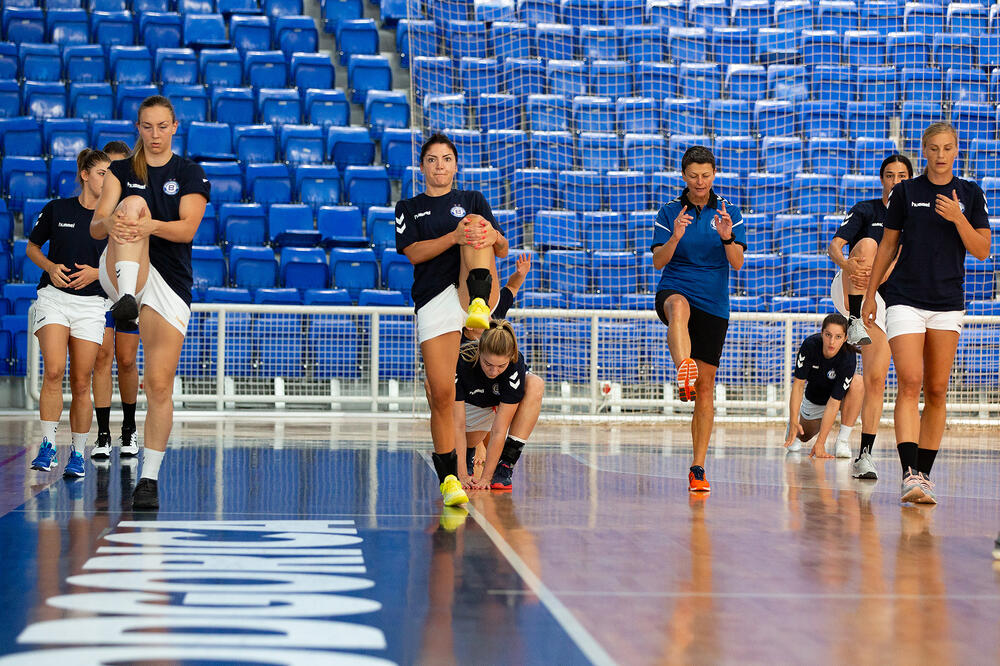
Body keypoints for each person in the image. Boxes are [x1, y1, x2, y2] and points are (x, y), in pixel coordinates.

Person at [90, 95, 210, 510]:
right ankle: (125, 299)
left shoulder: (189, 173)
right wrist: (114, 220)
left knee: (158, 383)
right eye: (147, 126)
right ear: (138, 128)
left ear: (174, 126)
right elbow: (96, 226)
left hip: (169, 281)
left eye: (162, 126)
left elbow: (187, 230)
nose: (155, 134)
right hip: (121, 268)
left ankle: (149, 478)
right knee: (133, 203)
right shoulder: (121, 171)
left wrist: (149, 226)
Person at [863, 122, 991, 505]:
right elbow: (887, 247)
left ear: (956, 150)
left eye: (947, 148)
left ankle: (924, 475)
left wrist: (958, 217)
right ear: (924, 151)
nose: (940, 155)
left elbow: (983, 250)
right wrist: (870, 296)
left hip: (948, 302)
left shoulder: (971, 194)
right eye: (933, 148)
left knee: (936, 389)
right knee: (910, 381)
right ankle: (908, 474)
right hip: (905, 298)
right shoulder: (906, 192)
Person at [395, 133, 508, 506]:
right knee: (441, 394)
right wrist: (454, 236)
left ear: (456, 165)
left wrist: (491, 234)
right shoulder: (408, 207)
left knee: (477, 223)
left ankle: (478, 304)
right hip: (434, 298)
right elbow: (413, 253)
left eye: (446, 159)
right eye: (432, 159)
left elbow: (503, 248)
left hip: (473, 290)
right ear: (422, 166)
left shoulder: (472, 200)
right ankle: (449, 480)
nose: (439, 166)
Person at [651, 145, 746, 492]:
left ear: (714, 174)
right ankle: (683, 370)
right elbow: (658, 262)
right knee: (678, 307)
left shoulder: (729, 211)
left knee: (705, 389)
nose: (700, 181)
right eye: (693, 176)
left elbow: (737, 263)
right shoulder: (669, 211)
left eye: (706, 175)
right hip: (676, 285)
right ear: (683, 176)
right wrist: (675, 236)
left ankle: (698, 468)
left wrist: (727, 237)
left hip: (714, 301)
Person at [827, 154, 913, 479]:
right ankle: (852, 321)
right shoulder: (866, 209)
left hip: (883, 303)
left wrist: (877, 280)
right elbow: (835, 246)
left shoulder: (914, 219)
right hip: (852, 288)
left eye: (902, 176)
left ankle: (864, 456)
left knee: (876, 380)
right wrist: (846, 264)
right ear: (882, 180)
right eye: (890, 175)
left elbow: (899, 260)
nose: (895, 181)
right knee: (865, 245)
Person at [27, 148, 112, 478]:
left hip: (91, 305)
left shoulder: (113, 219)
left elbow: (126, 266)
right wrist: (50, 266)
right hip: (54, 299)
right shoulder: (57, 209)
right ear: (85, 175)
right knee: (54, 370)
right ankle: (48, 446)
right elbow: (32, 247)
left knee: (80, 381)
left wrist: (97, 273)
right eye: (102, 173)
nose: (107, 179)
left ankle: (77, 453)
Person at [91, 140, 140, 460]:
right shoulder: (94, 212)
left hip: (127, 293)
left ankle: (129, 429)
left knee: (126, 360)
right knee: (102, 358)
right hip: (97, 294)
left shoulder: (136, 208)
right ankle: (103, 434)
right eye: (108, 170)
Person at [453, 321, 543, 491]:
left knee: (536, 383)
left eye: (501, 366)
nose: (493, 372)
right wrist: (462, 474)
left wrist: (487, 477)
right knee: (469, 442)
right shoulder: (461, 359)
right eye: (488, 364)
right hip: (471, 406)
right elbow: (457, 424)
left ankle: (505, 465)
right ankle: (467, 453)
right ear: (479, 351)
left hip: (495, 405)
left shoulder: (515, 363)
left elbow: (499, 430)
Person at [784, 314, 863, 459]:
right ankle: (793, 427)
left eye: (838, 337)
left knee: (858, 382)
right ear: (822, 333)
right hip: (815, 400)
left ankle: (842, 441)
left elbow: (834, 401)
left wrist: (821, 443)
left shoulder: (848, 356)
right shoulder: (810, 345)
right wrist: (794, 419)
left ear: (845, 338)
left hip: (836, 399)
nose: (832, 341)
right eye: (828, 335)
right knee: (803, 436)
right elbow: (798, 385)